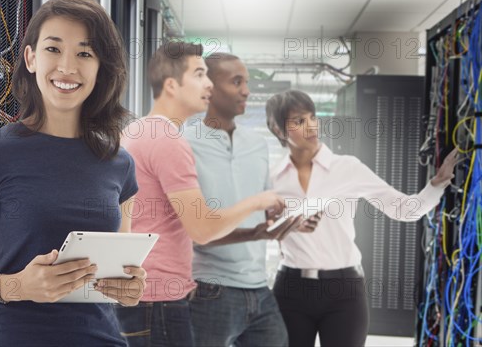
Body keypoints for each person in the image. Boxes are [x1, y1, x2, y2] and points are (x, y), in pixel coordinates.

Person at [0, 0, 147, 346]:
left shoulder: (119, 163)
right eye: (53, 49)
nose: (67, 67)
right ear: (31, 57)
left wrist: (129, 287)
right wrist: (18, 286)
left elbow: (116, 270)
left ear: (100, 67)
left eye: (84, 53)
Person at [114, 42, 286, 347]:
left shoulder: (138, 131)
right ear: (171, 85)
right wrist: (259, 201)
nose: (208, 84)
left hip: (140, 296)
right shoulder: (169, 139)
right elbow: (203, 229)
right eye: (199, 75)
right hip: (158, 300)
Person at [265, 90, 459, 347]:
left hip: (343, 290)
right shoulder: (272, 177)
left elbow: (403, 209)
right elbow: (255, 228)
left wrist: (438, 183)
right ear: (278, 130)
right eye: (299, 121)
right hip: (290, 289)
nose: (311, 126)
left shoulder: (347, 168)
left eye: (312, 117)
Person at [184, 53, 319, 347]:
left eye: (246, 82)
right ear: (207, 86)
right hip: (209, 286)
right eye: (236, 82)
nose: (246, 90)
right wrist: (256, 232)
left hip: (258, 287)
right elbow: (190, 232)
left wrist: (290, 222)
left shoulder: (256, 144)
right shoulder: (183, 143)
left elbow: (264, 208)